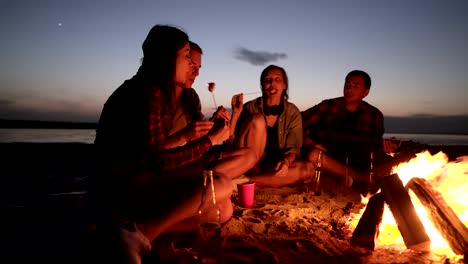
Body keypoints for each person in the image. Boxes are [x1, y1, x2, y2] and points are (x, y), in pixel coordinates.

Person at [91, 25, 254, 264]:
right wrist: (209, 141)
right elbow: (157, 161)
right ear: (167, 58)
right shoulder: (145, 94)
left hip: (139, 179)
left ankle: (126, 230)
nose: (192, 66)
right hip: (122, 186)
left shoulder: (157, 92)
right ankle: (143, 233)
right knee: (220, 184)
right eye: (187, 56)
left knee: (225, 209)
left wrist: (211, 134)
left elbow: (154, 154)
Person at [162, 40, 257, 179]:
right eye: (192, 64)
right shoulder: (156, 97)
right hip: (172, 162)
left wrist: (216, 120)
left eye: (199, 67)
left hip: (195, 156)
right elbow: (152, 154)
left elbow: (200, 135)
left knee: (250, 156)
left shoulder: (191, 95)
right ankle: (206, 183)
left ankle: (205, 181)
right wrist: (185, 135)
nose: (197, 73)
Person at [301, 70, 397, 194]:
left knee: (392, 163)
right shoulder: (329, 106)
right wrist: (308, 141)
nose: (349, 89)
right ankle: (359, 178)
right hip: (327, 157)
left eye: (355, 86)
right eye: (347, 85)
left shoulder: (374, 114)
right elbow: (297, 122)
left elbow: (375, 145)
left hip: (357, 160)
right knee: (314, 155)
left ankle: (346, 178)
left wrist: (386, 147)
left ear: (366, 92)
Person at [232, 65, 315, 187]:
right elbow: (231, 141)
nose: (272, 84)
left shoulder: (292, 112)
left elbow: (293, 148)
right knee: (257, 120)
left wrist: (286, 162)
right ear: (262, 86)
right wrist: (235, 114)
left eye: (278, 79)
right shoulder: (250, 107)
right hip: (250, 164)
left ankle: (246, 181)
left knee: (308, 169)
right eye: (268, 80)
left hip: (274, 167)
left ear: (284, 85)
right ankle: (259, 179)